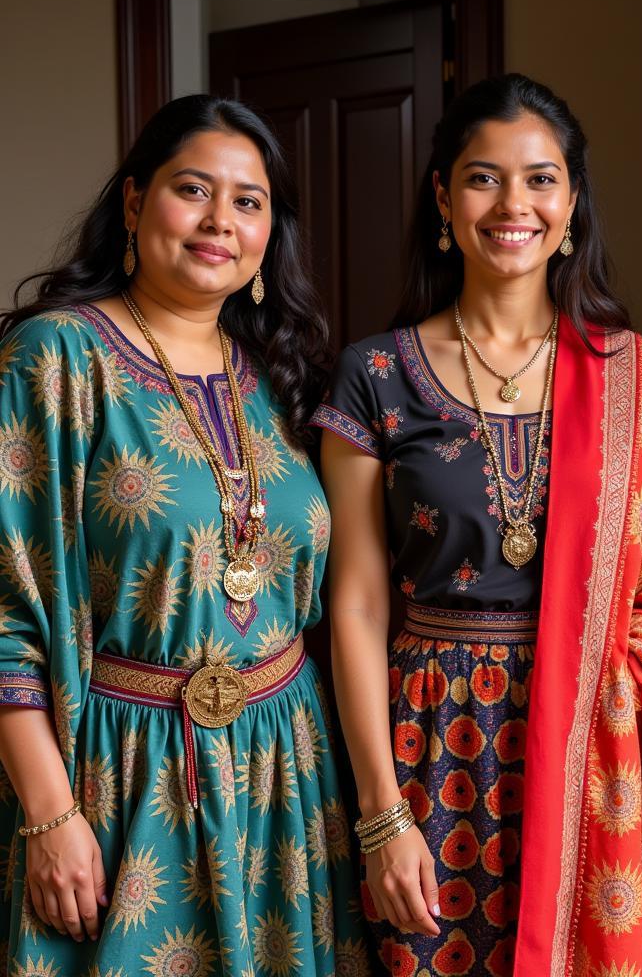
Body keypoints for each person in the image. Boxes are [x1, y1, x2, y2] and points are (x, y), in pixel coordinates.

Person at [317, 73, 642, 975]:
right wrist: (383, 813)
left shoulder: (636, 378)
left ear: (573, 200)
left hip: (594, 749)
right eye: (483, 178)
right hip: (428, 744)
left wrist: (608, 683)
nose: (514, 205)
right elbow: (353, 604)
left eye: (541, 179)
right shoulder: (376, 375)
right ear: (442, 197)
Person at [0, 95, 369, 975]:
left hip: (283, 773)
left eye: (249, 202)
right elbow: (5, 612)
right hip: (122, 774)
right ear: (134, 205)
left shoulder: (277, 374)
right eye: (193, 190)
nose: (220, 222)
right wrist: (51, 814)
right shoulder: (58, 357)